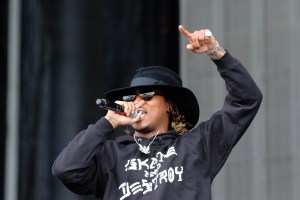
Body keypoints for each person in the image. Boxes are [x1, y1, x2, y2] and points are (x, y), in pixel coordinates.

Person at [52, 25, 262, 200]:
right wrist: (107, 122)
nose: (137, 101)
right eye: (130, 97)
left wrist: (216, 52)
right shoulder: (111, 155)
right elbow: (66, 170)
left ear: (169, 105)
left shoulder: (198, 145)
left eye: (147, 95)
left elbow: (246, 99)